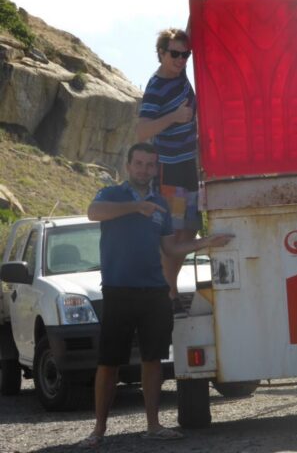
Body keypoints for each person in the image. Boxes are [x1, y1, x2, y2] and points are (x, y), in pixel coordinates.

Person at [78, 143, 233, 448]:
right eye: (139, 163)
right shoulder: (111, 195)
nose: (144, 169)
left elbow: (170, 248)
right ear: (128, 165)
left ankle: (153, 425)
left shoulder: (161, 202)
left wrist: (205, 243)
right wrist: (136, 207)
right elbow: (93, 213)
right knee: (109, 362)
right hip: (118, 290)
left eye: (150, 165)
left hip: (155, 292)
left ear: (156, 169)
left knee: (153, 360)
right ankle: (98, 431)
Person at [135, 27, 200, 317]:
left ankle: (169, 292)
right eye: (175, 54)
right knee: (173, 237)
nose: (181, 60)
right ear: (161, 53)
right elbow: (142, 131)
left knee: (190, 230)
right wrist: (174, 116)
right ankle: (168, 295)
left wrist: (201, 2)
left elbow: (190, 26)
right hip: (169, 169)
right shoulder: (156, 87)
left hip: (189, 165)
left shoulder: (181, 73)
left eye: (186, 55)